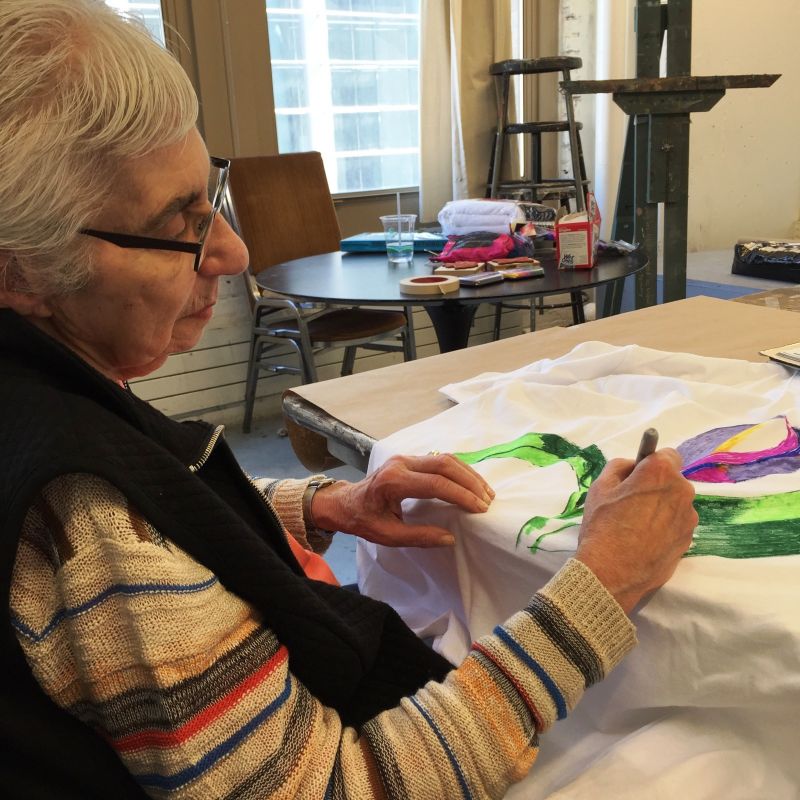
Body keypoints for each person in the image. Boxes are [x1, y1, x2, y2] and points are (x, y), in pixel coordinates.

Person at [0, 2, 698, 798]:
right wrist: (604, 585)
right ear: (18, 273)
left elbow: (165, 512)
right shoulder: (83, 527)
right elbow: (339, 786)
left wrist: (321, 504)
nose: (232, 253)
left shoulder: (49, 396)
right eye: (178, 226)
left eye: (211, 200)